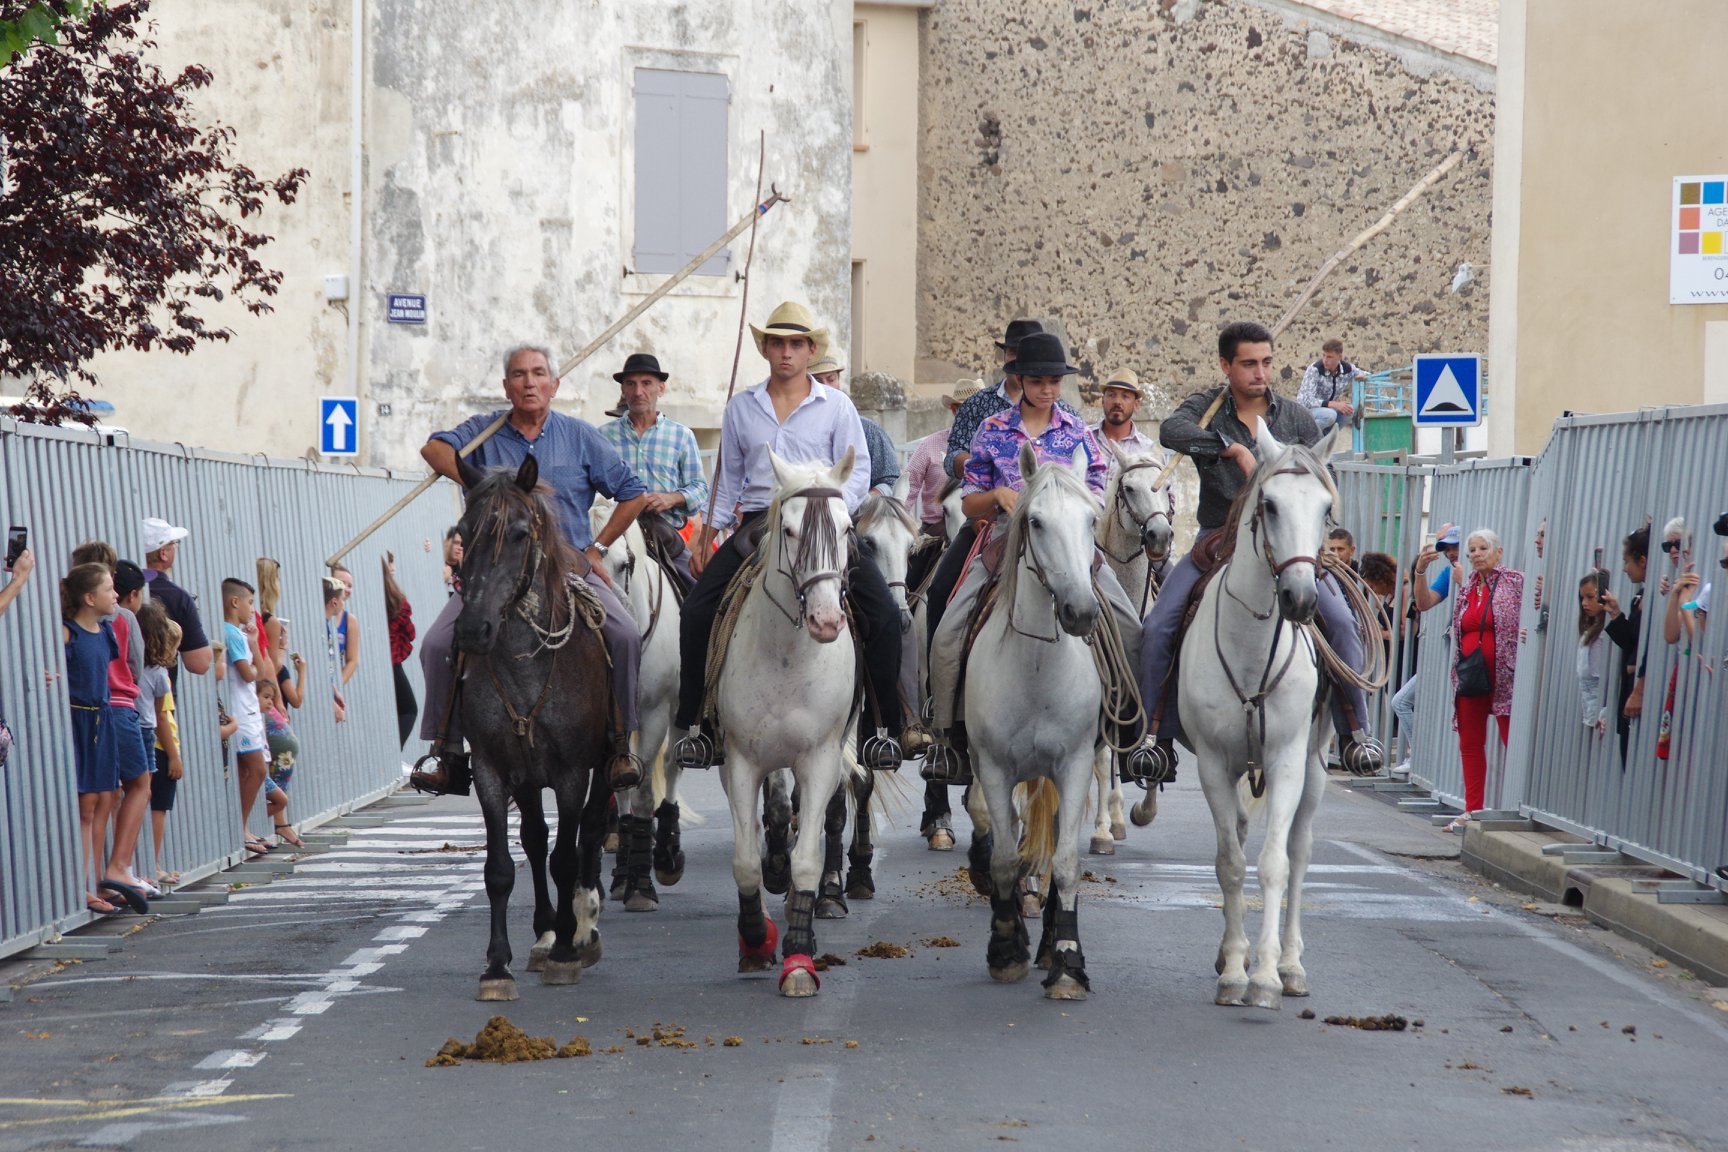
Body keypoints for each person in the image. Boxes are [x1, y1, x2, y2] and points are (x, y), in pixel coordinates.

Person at [1136, 320, 1381, 781]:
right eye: (1248, 364)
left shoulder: (1296, 419)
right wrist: (1230, 447)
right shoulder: (1206, 408)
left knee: (1344, 621)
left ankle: (1355, 732)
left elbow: (1316, 479)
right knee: (1158, 626)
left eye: (1266, 362)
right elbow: (1172, 431)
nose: (1260, 373)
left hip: (1289, 545)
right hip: (1218, 540)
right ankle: (1155, 739)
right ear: (1226, 365)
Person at [673, 301, 915, 766]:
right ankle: (698, 726)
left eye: (796, 344)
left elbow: (857, 469)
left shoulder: (837, 406)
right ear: (765, 348)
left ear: (810, 351)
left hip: (823, 518)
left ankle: (884, 729)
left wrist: (831, 515)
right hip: (760, 522)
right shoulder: (741, 407)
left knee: (884, 613)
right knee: (696, 611)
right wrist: (708, 533)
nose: (786, 352)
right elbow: (729, 479)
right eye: (778, 343)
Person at [411, 343, 650, 796]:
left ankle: (620, 745)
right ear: (506, 387)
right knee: (435, 643)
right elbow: (434, 449)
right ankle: (447, 752)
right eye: (518, 374)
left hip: (567, 569)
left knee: (625, 635)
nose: (528, 382)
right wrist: (484, 487)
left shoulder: (579, 436)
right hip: (495, 574)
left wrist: (598, 547)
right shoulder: (483, 432)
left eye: (538, 373)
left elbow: (633, 492)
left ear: (554, 385)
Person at [925, 331, 1147, 773]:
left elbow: (1097, 488)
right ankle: (946, 734)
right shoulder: (991, 430)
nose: (1047, 389)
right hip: (1001, 535)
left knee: (1130, 623)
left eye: (1054, 381)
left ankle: (1130, 730)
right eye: (1038, 381)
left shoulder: (1077, 431)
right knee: (946, 619)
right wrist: (999, 497)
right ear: (1020, 380)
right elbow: (969, 500)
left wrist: (1073, 512)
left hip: (1066, 536)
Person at [599, 351, 709, 589]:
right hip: (616, 536)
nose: (639, 392)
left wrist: (671, 498)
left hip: (665, 536)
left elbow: (700, 489)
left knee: (698, 598)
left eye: (646, 383)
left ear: (661, 388)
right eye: (631, 384)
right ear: (623, 390)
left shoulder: (681, 435)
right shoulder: (602, 436)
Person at [1444, 529, 1524, 830]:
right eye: (1472, 550)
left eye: (1483, 548)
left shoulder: (1515, 582)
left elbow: (1535, 610)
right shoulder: (1467, 587)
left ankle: (1517, 808)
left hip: (1505, 674)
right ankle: (1472, 809)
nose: (1477, 554)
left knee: (1510, 737)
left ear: (1498, 552)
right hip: (1471, 674)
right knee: (1470, 741)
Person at [62, 562, 122, 914]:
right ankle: (81, 886)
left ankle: (99, 879)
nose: (115, 595)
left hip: (103, 721)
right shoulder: (68, 633)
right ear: (88, 597)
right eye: (108, 589)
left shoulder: (106, 632)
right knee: (86, 805)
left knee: (105, 798)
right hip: (80, 720)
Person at [103, 559, 156, 902]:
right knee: (140, 785)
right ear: (132, 594)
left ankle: (109, 875)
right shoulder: (125, 618)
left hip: (91, 708)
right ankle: (119, 866)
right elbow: (136, 664)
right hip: (121, 707)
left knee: (105, 794)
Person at [1391, 523, 1461, 773]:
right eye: (1445, 548)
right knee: (1400, 701)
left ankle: (1436, 768)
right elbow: (1423, 603)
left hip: (1471, 659)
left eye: (1455, 546)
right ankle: (1420, 760)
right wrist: (1420, 571)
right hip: (1451, 656)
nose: (1451, 552)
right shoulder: (1447, 574)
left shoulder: (1475, 573)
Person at [221, 578, 271, 855]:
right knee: (257, 769)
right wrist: (252, 646)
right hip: (242, 712)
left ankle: (244, 827)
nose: (252, 609)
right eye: (250, 603)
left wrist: (253, 644)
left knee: (249, 772)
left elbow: (261, 674)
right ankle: (239, 828)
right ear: (235, 602)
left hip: (248, 711)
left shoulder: (239, 634)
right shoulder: (232, 634)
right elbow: (249, 673)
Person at [137, 602, 184, 887]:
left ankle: (148, 864)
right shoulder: (159, 675)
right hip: (161, 747)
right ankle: (153, 864)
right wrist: (175, 756)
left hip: (149, 741)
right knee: (159, 808)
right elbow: (162, 718)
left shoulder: (137, 668)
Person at [811, 352, 901, 497]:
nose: (826, 387)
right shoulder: (799, 429)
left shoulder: (869, 430)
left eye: (831, 379)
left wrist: (861, 503)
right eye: (818, 381)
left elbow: (890, 480)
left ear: (839, 381)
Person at [141, 517, 212, 678]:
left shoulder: (116, 588)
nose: (176, 548)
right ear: (163, 553)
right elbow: (199, 663)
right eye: (174, 544)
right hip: (160, 696)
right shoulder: (178, 597)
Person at [1602, 525, 1649, 765]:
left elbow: (1646, 649)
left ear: (1642, 561)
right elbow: (1632, 644)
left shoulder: (1651, 601)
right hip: (1630, 690)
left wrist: (1639, 689)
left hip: (1640, 692)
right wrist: (1617, 614)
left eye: (1626, 561)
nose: (1624, 568)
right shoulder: (1640, 598)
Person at [258, 677, 303, 848]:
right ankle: (246, 826)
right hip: (255, 687)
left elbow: (297, 700)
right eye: (267, 697)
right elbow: (270, 662)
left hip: (262, 686)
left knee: (280, 798)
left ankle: (276, 821)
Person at [383, 552, 417, 748]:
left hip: (387, 659)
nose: (393, 568)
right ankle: (394, 754)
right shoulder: (396, 600)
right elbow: (410, 633)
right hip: (392, 661)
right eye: (390, 564)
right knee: (408, 709)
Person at [1296, 338, 1365, 433]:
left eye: (1329, 357)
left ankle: (1325, 440)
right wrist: (1334, 404)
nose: (1325, 360)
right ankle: (1306, 439)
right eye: (1324, 355)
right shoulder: (1315, 370)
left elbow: (1360, 373)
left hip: (1326, 411)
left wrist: (1360, 375)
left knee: (1349, 410)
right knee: (1330, 415)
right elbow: (1305, 400)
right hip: (1306, 412)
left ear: (1340, 357)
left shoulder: (1346, 369)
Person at [1091, 368, 1161, 463]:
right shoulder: (1082, 439)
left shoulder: (1147, 450)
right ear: (1103, 401)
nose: (1117, 402)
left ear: (1136, 404)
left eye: (1125, 396)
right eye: (1112, 395)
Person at [1578, 569, 1612, 738]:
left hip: (1601, 709)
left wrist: (1604, 710)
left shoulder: (1605, 633)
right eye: (1582, 598)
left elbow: (1604, 678)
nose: (1584, 603)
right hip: (1590, 707)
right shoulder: (1590, 631)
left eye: (1590, 597)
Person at [331, 563, 360, 688]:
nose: (346, 589)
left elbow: (352, 660)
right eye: (343, 583)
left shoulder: (350, 620)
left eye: (350, 586)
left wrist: (337, 684)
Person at [442, 527, 464, 594]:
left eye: (462, 545)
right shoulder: (437, 567)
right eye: (456, 543)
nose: (460, 548)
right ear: (445, 542)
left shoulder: (463, 569)